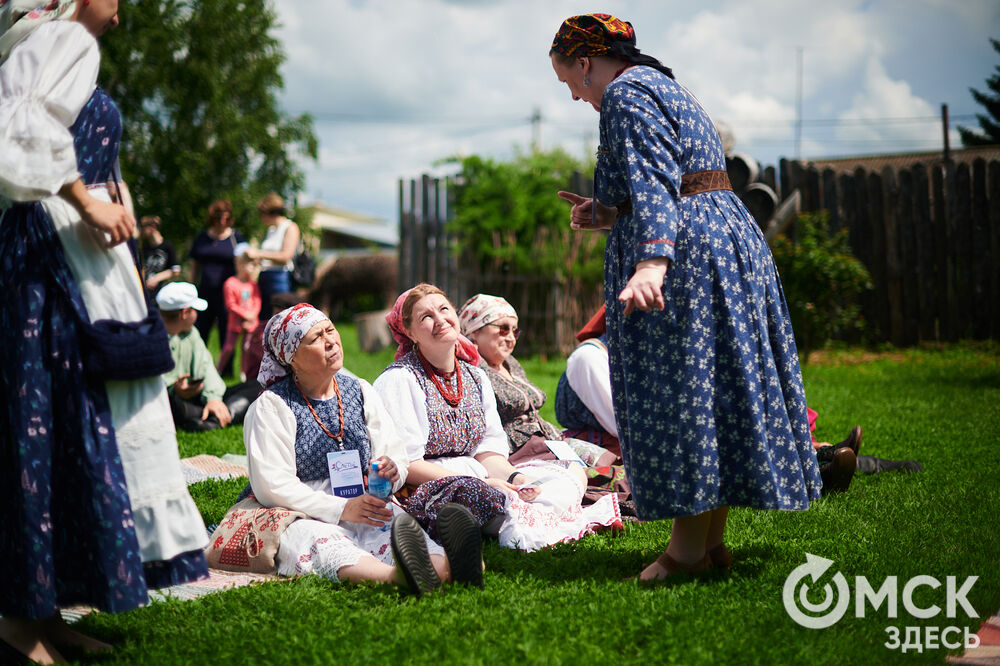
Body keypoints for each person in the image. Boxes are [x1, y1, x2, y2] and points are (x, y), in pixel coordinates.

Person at [551, 14, 822, 581]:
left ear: (584, 61)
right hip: (720, 240)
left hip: (686, 261)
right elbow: (681, 180)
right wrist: (607, 213)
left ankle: (685, 554)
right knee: (712, 391)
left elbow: (653, 180)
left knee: (680, 394)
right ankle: (710, 544)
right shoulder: (666, 87)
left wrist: (651, 260)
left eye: (569, 81)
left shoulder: (625, 93)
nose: (575, 95)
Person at [0, 2, 207, 662]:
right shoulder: (46, 39)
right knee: (35, 436)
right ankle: (17, 627)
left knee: (72, 434)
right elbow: (16, 130)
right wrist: (87, 199)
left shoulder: (50, 43)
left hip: (78, 263)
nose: (118, 16)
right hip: (42, 263)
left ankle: (47, 612)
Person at [235, 303, 483, 593]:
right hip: (301, 510)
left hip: (364, 500)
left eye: (330, 330)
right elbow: (272, 485)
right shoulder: (272, 406)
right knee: (319, 541)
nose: (330, 341)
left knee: (390, 526)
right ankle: (398, 578)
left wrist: (393, 469)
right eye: (315, 338)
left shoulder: (360, 389)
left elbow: (394, 452)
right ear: (292, 358)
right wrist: (341, 508)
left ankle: (452, 567)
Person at [374, 284, 621, 553]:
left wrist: (515, 478)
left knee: (568, 474)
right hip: (429, 483)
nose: (439, 320)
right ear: (409, 332)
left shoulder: (475, 377)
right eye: (426, 317)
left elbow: (488, 452)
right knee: (483, 496)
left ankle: (515, 513)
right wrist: (478, 482)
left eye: (444, 309)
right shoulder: (400, 379)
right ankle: (502, 519)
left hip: (479, 474)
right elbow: (409, 464)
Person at [457, 293, 616, 466]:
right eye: (503, 329)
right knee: (603, 473)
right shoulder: (472, 371)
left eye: (515, 331)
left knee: (613, 461)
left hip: (549, 439)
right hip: (518, 450)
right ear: (474, 332)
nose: (510, 338)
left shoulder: (510, 363)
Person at [156, 282, 260, 431]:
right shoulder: (153, 338)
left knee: (258, 387)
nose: (197, 314)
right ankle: (214, 417)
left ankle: (214, 417)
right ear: (185, 313)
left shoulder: (191, 333)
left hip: (199, 395)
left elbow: (206, 368)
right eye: (194, 310)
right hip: (170, 400)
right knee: (174, 405)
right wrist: (174, 389)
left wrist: (213, 398)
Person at [188, 198, 246, 370]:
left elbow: (245, 263)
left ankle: (226, 371)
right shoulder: (202, 237)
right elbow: (194, 264)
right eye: (218, 218)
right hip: (205, 290)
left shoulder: (236, 238)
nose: (222, 222)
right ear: (212, 219)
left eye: (226, 219)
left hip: (229, 294)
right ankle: (198, 365)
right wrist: (192, 287)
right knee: (201, 329)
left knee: (226, 331)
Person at [247, 192, 300, 321]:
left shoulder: (290, 227)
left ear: (270, 212)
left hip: (280, 279)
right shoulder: (271, 230)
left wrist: (259, 253)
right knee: (264, 318)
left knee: (279, 318)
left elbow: (286, 256)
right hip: (265, 276)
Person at [217, 244, 262, 380]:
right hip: (235, 323)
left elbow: (257, 301)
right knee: (229, 348)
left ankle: (244, 373)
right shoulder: (230, 283)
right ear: (240, 264)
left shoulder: (253, 284)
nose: (253, 268)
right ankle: (218, 370)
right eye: (250, 265)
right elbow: (231, 305)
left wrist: (253, 315)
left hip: (251, 324)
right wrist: (245, 315)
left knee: (247, 348)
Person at [139, 214, 179, 293]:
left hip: (162, 293)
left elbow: (176, 270)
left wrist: (157, 278)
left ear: (153, 227)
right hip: (146, 293)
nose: (141, 230)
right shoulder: (144, 248)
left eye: (143, 227)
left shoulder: (168, 246)